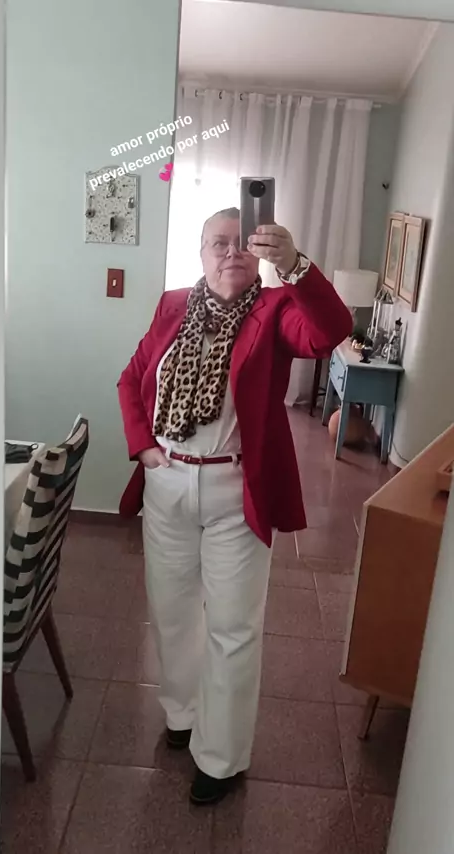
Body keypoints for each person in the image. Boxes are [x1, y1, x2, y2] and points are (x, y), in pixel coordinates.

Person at [117, 207, 352, 806]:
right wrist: (144, 447)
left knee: (232, 627)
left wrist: (294, 265)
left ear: (257, 255)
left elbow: (329, 330)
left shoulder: (275, 311)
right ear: (200, 254)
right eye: (217, 243)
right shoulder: (172, 305)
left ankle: (220, 757)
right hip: (167, 484)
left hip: (236, 491)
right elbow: (131, 379)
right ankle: (183, 714)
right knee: (171, 613)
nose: (230, 253)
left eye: (241, 244)